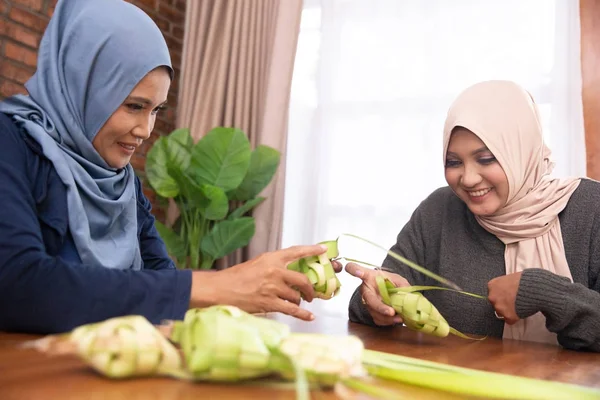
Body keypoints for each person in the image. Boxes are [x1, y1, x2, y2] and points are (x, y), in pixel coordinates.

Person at [0, 0, 338, 335]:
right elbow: (18, 283)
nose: (145, 130)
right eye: (134, 106)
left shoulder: (121, 182)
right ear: (82, 83)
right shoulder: (11, 142)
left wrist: (265, 282)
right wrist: (215, 285)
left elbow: (161, 277)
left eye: (156, 110)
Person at [346, 80, 600, 352]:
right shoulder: (439, 210)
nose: (467, 179)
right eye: (453, 162)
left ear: (521, 151)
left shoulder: (590, 208)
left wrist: (544, 292)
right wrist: (372, 298)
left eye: (487, 158)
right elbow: (366, 312)